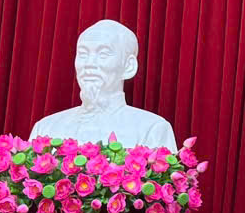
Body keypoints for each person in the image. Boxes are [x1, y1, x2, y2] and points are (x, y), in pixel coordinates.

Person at [31, 20, 177, 150]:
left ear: (129, 66)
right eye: (83, 54)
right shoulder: (46, 128)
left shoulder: (152, 129)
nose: (89, 64)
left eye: (103, 54)